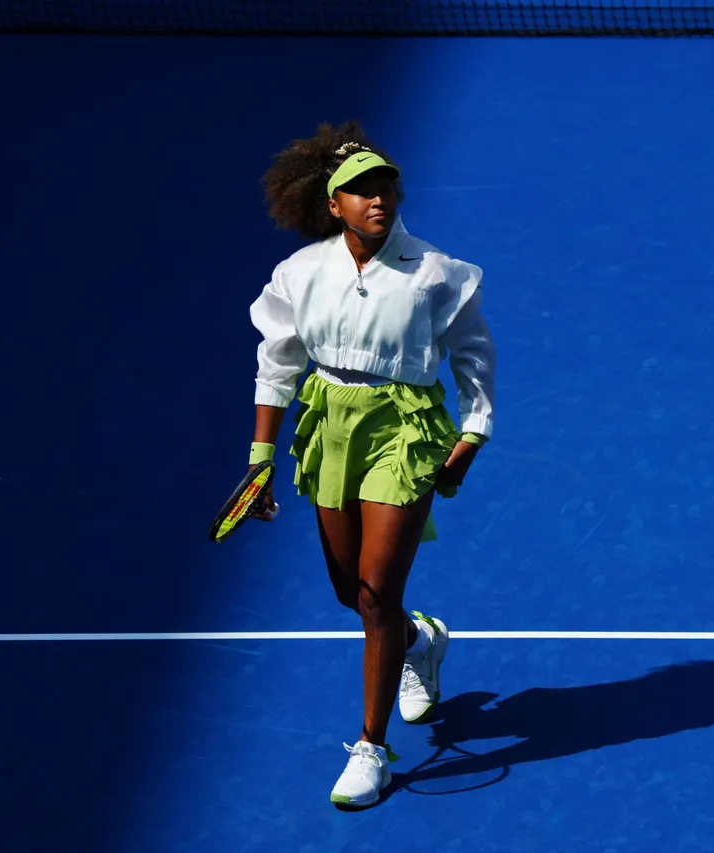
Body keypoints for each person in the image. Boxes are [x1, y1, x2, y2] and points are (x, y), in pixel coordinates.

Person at [245, 120, 496, 808]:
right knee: (350, 593)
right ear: (334, 205)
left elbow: (474, 356)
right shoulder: (300, 274)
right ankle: (420, 642)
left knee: (377, 591)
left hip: (404, 428)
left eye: (386, 188)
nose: (377, 199)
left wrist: (473, 432)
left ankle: (371, 746)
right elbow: (278, 363)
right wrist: (261, 457)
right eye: (360, 191)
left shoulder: (439, 274)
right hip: (327, 421)